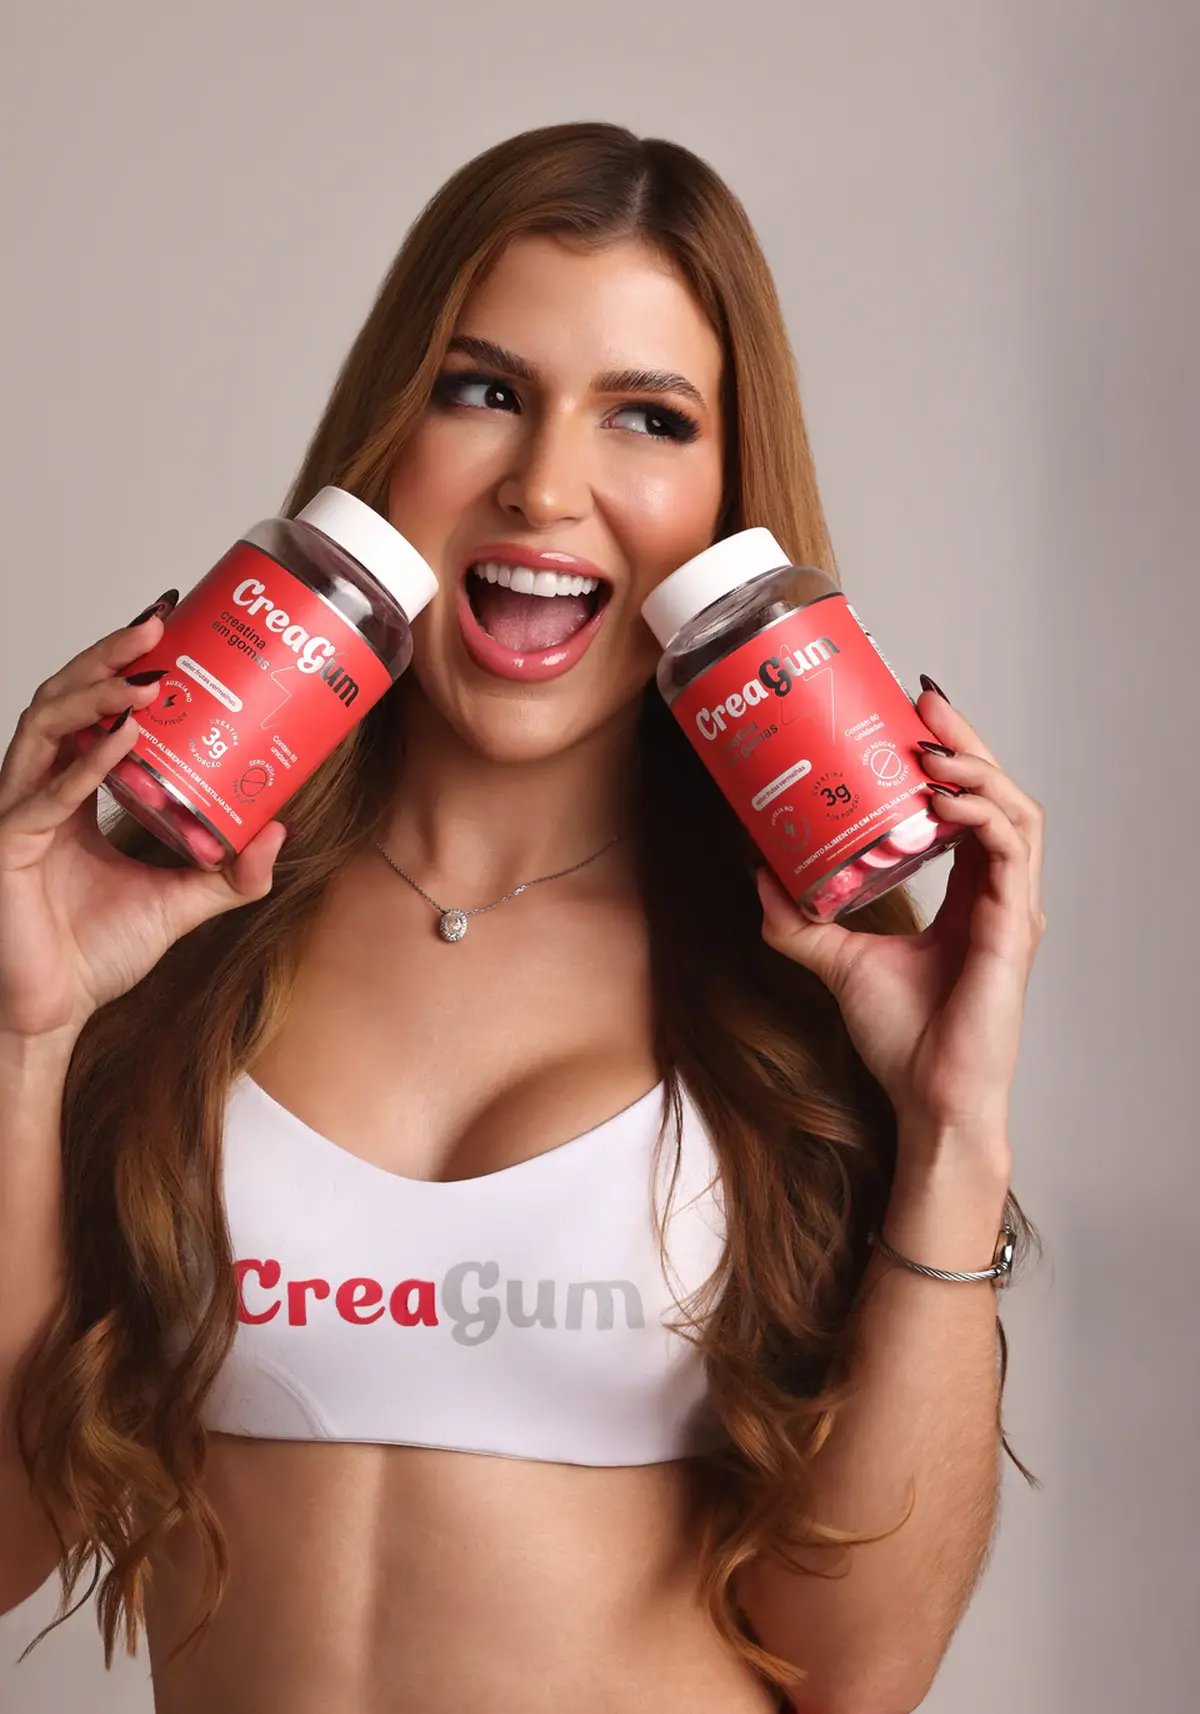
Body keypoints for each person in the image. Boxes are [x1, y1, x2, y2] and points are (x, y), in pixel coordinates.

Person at [0, 122, 1044, 1714]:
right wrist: (25, 1032)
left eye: (648, 416)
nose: (545, 486)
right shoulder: (170, 936)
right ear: (385, 441)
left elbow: (862, 1670)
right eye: (481, 389)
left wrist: (953, 1128)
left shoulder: (806, 982)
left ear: (727, 508)